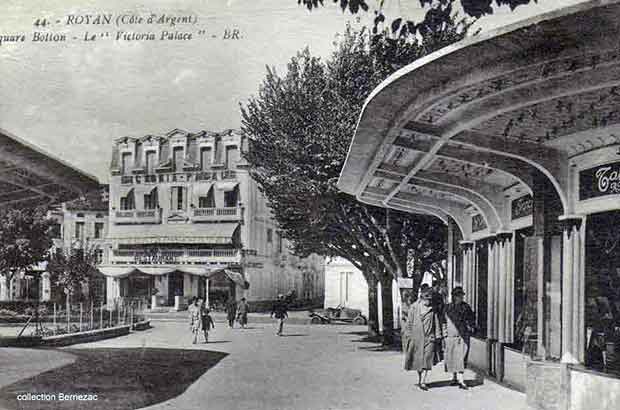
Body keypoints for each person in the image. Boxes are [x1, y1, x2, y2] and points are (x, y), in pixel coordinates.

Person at [404, 287, 443, 391]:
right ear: (421, 298)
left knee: (427, 360)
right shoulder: (414, 308)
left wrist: (438, 336)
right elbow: (409, 323)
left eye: (430, 300)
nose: (428, 302)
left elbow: (437, 323)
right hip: (416, 338)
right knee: (418, 361)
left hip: (429, 338)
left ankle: (423, 381)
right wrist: (408, 335)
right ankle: (420, 378)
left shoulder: (433, 309)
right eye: (426, 299)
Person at [443, 286, 476, 390]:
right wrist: (444, 334)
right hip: (451, 336)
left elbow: (472, 319)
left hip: (463, 336)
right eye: (458, 296)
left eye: (461, 295)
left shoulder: (466, 307)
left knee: (461, 357)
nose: (461, 297)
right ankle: (454, 377)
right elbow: (443, 321)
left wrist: (471, 327)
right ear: (454, 296)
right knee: (452, 357)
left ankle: (461, 380)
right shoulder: (447, 308)